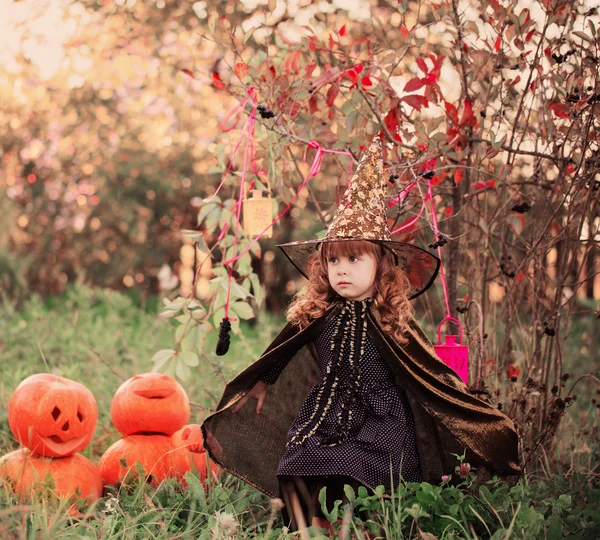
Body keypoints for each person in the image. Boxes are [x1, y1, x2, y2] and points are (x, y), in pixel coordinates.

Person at [201, 135, 521, 534]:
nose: (342, 269)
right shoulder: (320, 311)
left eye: (354, 258)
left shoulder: (390, 318)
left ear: (382, 263)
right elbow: (285, 347)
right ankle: (305, 530)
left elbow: (426, 370)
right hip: (323, 413)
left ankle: (362, 528)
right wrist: (263, 382)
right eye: (333, 259)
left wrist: (462, 405)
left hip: (380, 420)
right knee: (294, 466)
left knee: (353, 470)